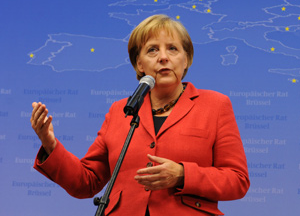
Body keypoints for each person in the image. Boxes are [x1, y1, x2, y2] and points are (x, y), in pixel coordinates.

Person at [30, 14, 250, 216]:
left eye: (173, 49)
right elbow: (86, 182)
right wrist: (50, 144)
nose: (163, 57)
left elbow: (237, 180)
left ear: (186, 60)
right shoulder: (120, 111)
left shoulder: (215, 105)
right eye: (152, 50)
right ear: (139, 64)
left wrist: (183, 174)